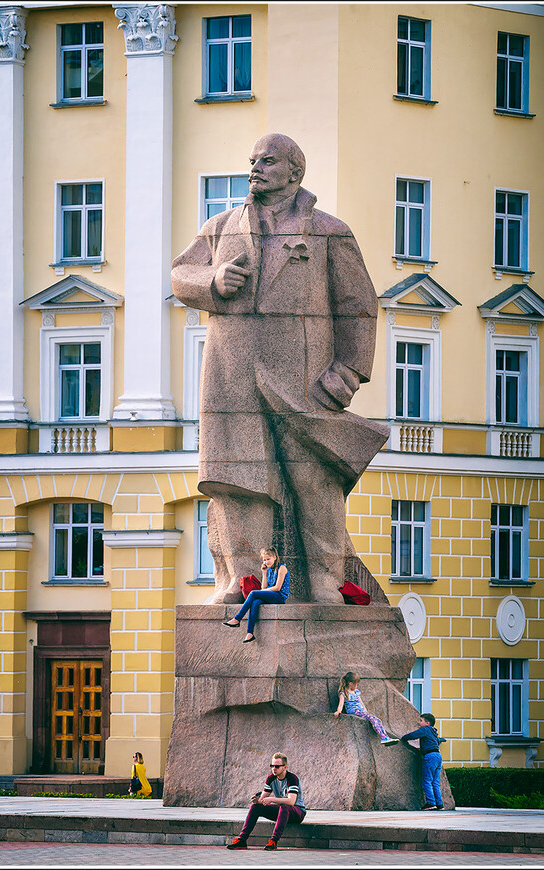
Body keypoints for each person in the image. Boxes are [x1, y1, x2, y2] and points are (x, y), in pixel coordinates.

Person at [171, 133, 388, 605]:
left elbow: (359, 307)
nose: (255, 168)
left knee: (315, 479)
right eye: (251, 160)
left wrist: (346, 374)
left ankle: (327, 583)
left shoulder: (329, 230)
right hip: (231, 378)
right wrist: (213, 280)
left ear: (295, 171)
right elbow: (180, 274)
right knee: (236, 480)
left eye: (267, 161)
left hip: (304, 379)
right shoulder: (223, 225)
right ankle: (240, 580)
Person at [227, 752, 306, 851]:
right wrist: (257, 800)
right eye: (272, 766)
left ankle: (273, 841)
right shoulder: (271, 778)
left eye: (277, 766)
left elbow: (291, 802)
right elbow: (263, 799)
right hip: (282, 812)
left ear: (284, 767)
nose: (274, 768)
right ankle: (242, 840)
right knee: (255, 807)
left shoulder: (292, 778)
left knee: (284, 807)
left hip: (297, 813)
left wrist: (271, 799)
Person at [222, 547, 289, 642]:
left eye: (268, 559)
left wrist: (261, 592)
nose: (266, 562)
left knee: (253, 593)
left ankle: (237, 619)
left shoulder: (282, 568)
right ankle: (250, 633)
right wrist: (264, 573)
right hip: (271, 595)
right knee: (255, 602)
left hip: (279, 596)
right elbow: (263, 588)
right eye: (264, 560)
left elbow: (278, 588)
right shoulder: (269, 570)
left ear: (274, 557)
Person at [334, 672, 398, 745]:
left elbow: (361, 703)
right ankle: (383, 737)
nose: (357, 685)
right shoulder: (344, 693)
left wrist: (366, 712)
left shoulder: (356, 692)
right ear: (350, 683)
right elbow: (341, 704)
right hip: (354, 711)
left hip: (361, 711)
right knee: (374, 719)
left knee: (377, 720)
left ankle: (385, 737)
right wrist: (338, 711)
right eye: (356, 684)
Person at [401, 712, 446, 810]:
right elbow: (436, 742)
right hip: (438, 756)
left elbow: (414, 735)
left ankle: (431, 803)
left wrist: (403, 738)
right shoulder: (434, 733)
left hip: (430, 756)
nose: (418, 722)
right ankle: (439, 804)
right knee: (435, 782)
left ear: (427, 723)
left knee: (427, 781)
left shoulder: (425, 729)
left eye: (421, 720)